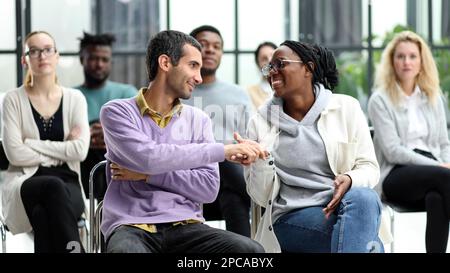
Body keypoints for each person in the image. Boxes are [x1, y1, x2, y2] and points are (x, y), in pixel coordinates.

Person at [99, 30, 265, 253]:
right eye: (193, 65)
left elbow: (207, 189)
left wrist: (148, 176)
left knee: (250, 252)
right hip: (131, 225)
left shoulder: (199, 119)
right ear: (166, 62)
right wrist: (222, 151)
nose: (198, 77)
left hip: (187, 227)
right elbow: (148, 157)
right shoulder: (117, 112)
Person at [243, 40, 384, 253]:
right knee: (370, 245)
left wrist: (350, 179)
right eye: (269, 67)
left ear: (308, 68)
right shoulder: (260, 122)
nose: (272, 72)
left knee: (366, 197)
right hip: (292, 217)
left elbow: (369, 167)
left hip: (346, 207)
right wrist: (261, 160)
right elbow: (260, 197)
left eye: (280, 64)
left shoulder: (347, 108)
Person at [1, 31, 90, 253]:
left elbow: (79, 151)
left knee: (42, 215)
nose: (42, 56)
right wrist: (62, 150)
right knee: (52, 185)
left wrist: (30, 142)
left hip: (69, 182)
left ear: (57, 56)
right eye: (34, 51)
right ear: (25, 59)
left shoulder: (75, 99)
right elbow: (14, 155)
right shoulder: (12, 100)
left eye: (48, 49)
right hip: (26, 181)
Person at [368, 30, 450, 253]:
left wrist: (444, 164)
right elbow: (393, 151)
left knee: (437, 197)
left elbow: (444, 142)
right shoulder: (380, 100)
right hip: (396, 174)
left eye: (413, 56)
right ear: (392, 61)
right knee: (445, 178)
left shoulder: (434, 96)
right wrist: (441, 167)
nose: (406, 62)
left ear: (422, 61)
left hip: (437, 175)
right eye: (400, 56)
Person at [183, 25, 253, 237]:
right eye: (203, 45)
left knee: (232, 190)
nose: (211, 50)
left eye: (217, 46)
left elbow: (248, 140)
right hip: (189, 180)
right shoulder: (179, 94)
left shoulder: (238, 94)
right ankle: (258, 196)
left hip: (229, 186)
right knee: (218, 155)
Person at [75, 32, 137, 199]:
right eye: (94, 58)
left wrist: (109, 136)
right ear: (82, 60)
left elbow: (141, 134)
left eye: (105, 60)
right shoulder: (70, 96)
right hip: (82, 165)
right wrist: (88, 135)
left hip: (120, 166)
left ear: (111, 62)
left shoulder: (128, 93)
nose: (99, 64)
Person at [247, 41, 277, 109]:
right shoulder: (249, 93)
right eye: (264, 59)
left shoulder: (290, 90)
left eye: (272, 56)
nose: (269, 61)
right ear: (258, 65)